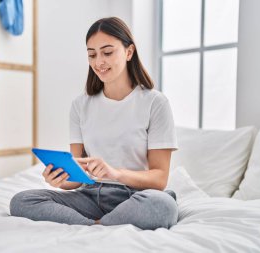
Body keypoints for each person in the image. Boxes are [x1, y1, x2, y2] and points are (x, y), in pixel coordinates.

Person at [10, 17, 178, 230]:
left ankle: (95, 226)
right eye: (92, 54)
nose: (98, 62)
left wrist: (115, 174)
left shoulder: (155, 102)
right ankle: (98, 225)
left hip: (137, 196)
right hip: (90, 197)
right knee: (22, 201)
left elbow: (160, 178)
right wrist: (61, 180)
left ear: (129, 52)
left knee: (163, 205)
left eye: (107, 52)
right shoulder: (81, 105)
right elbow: (78, 178)